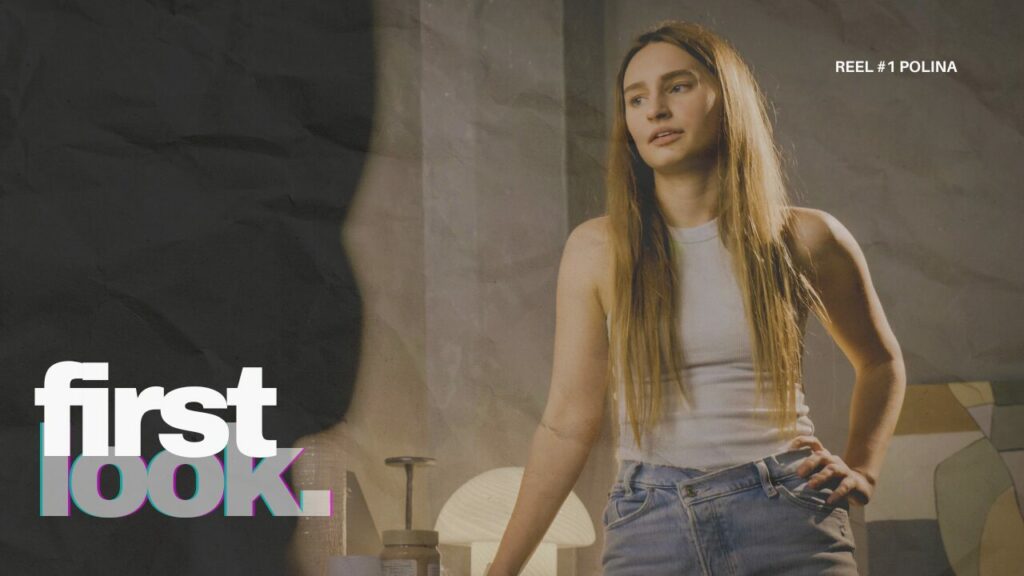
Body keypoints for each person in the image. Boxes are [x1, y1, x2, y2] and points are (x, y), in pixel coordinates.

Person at [486, 19, 906, 576]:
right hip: (649, 524)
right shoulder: (597, 249)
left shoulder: (807, 237)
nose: (655, 110)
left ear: (726, 99)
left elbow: (880, 363)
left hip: (788, 518)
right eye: (637, 99)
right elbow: (566, 423)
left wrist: (864, 470)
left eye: (677, 87)